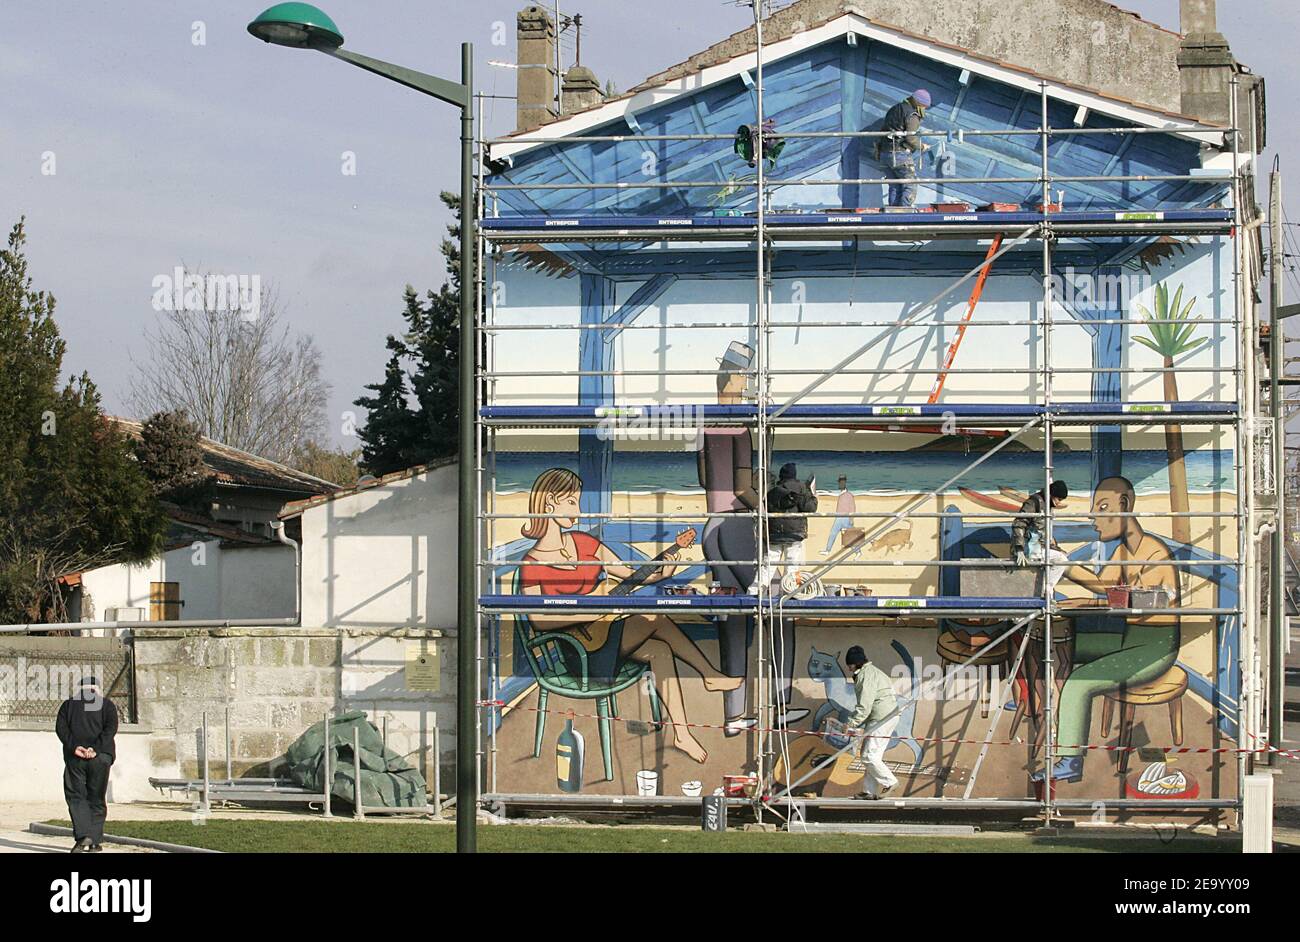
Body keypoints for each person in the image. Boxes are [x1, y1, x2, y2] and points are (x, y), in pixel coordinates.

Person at [517, 467, 742, 764]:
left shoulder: (585, 544)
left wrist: (667, 565)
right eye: (571, 502)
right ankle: (710, 675)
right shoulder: (531, 563)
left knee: (660, 651)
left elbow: (635, 576)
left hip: (605, 639)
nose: (578, 509)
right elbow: (539, 621)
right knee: (653, 618)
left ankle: (682, 733)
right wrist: (587, 604)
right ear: (549, 504)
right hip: (580, 655)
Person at [1032, 477, 1181, 785]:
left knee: (1078, 682)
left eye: (1101, 507)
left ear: (1124, 506)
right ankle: (1034, 699)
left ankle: (1070, 759)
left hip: (1154, 647)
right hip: (1129, 639)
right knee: (1062, 641)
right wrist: (1063, 561)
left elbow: (1154, 599)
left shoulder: (1154, 552)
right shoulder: (1124, 552)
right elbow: (1104, 586)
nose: (1092, 517)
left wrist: (1086, 599)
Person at [698, 342, 806, 735]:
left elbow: (708, 480)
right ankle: (778, 706)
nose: (748, 386)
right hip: (740, 526)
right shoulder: (740, 428)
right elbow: (743, 488)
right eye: (746, 377)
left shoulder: (705, 423)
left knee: (733, 619)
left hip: (712, 528)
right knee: (782, 610)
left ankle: (733, 715)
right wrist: (772, 504)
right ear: (734, 378)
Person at [55, 675, 118, 853]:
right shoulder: (107, 705)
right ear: (97, 689)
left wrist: (76, 747)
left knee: (76, 796)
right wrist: (95, 749)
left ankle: (83, 836)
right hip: (101, 758)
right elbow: (111, 729)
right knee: (97, 798)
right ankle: (95, 841)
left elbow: (61, 729)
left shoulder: (68, 705)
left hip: (75, 759)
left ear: (79, 689)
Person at [844, 646, 900, 800]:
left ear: (855, 663)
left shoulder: (866, 675)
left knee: (869, 756)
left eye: (849, 664)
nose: (848, 668)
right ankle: (869, 791)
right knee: (871, 755)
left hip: (881, 717)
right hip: (886, 716)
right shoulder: (874, 672)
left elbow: (865, 705)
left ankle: (890, 782)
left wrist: (851, 724)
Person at [754, 462, 818, 592]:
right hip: (794, 533)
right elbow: (810, 508)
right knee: (792, 565)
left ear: (781, 475)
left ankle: (755, 591)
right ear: (794, 475)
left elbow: (767, 507)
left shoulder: (773, 491)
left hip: (775, 533)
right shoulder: (802, 488)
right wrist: (814, 497)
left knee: (768, 565)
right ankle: (789, 593)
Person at [1012, 480, 1071, 597]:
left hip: (1037, 548)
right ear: (1052, 495)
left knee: (1060, 559)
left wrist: (1056, 548)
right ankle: (1045, 590)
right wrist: (1019, 549)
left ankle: (1045, 589)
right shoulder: (1034, 503)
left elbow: (1042, 533)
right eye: (1059, 499)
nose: (1059, 503)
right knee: (1060, 560)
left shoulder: (1046, 504)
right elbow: (1019, 523)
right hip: (1029, 549)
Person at [877, 89, 932, 207]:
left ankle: (893, 215)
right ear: (920, 104)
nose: (925, 110)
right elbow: (910, 138)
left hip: (884, 154)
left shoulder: (894, 109)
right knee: (910, 183)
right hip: (899, 154)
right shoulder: (912, 114)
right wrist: (922, 146)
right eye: (925, 107)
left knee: (895, 185)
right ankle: (904, 213)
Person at [822, 475, 856, 555]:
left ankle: (857, 551)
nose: (840, 484)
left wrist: (851, 518)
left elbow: (852, 507)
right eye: (840, 482)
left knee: (848, 536)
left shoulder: (848, 495)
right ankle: (827, 550)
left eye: (842, 482)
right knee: (835, 533)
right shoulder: (841, 495)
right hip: (840, 517)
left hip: (844, 518)